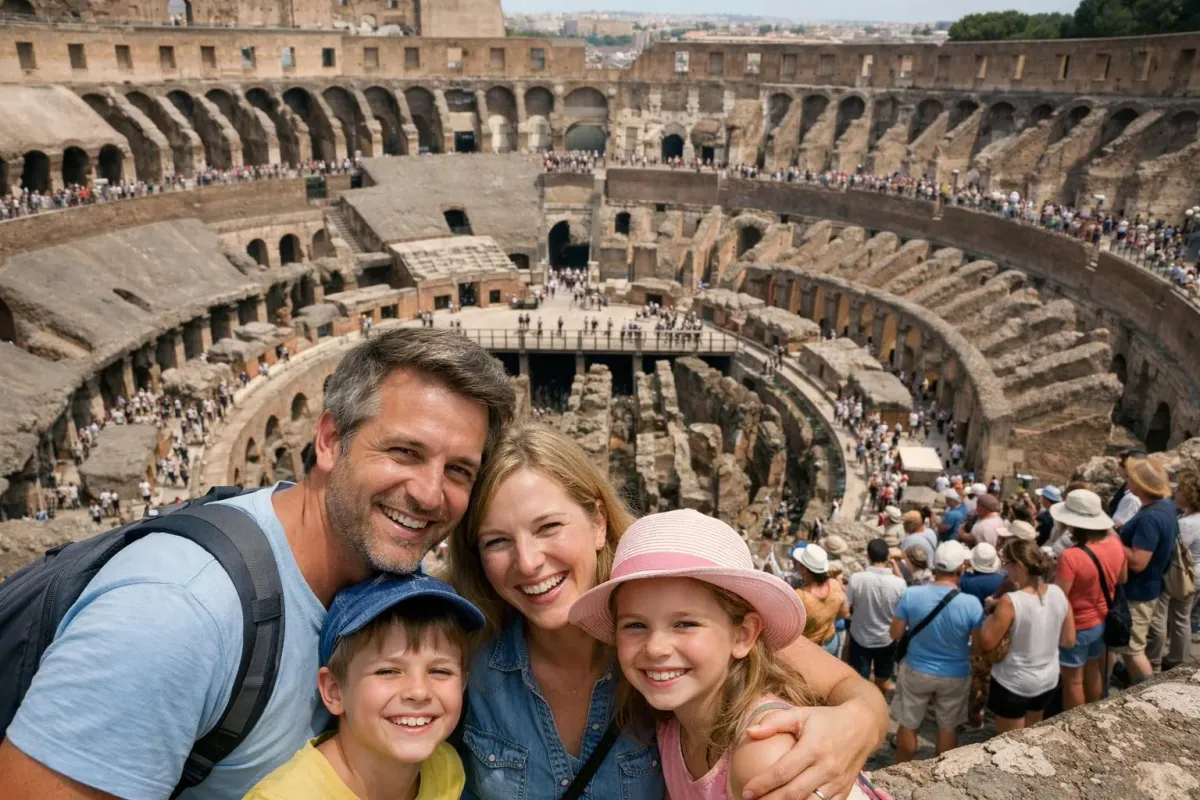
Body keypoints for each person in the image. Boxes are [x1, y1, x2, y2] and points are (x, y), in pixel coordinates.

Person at [1, 328, 517, 799]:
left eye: (458, 470)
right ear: (331, 440)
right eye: (404, 451)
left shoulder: (390, 583)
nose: (430, 494)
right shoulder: (177, 614)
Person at [449, 424, 890, 800]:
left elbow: (850, 689)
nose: (527, 562)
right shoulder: (462, 653)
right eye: (497, 541)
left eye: (549, 526)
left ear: (599, 522)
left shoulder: (672, 611)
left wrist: (858, 724)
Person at [568, 510, 886, 800]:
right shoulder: (674, 725)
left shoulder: (763, 753)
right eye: (635, 625)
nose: (655, 647)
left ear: (744, 634)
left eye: (685, 623)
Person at [244, 574, 485, 799]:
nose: (419, 691)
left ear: (463, 683)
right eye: (388, 671)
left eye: (440, 671)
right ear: (335, 691)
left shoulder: (447, 768)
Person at [889, 541, 984, 763]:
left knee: (908, 723)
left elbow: (895, 634)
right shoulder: (972, 604)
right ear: (962, 568)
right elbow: (978, 647)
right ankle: (941, 776)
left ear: (934, 566)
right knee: (947, 727)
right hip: (955, 672)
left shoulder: (912, 594)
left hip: (916, 668)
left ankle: (901, 770)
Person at [978, 539, 1074, 733]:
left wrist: (990, 614)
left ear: (1019, 566)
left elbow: (986, 642)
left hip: (1013, 682)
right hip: (1047, 678)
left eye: (1006, 564)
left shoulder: (1010, 602)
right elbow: (1068, 640)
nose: (1005, 570)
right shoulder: (1058, 593)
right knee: (1033, 731)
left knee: (1010, 740)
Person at [1051, 489, 1126, 710]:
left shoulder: (1071, 556)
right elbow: (1122, 577)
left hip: (1077, 625)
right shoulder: (1115, 544)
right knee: (1093, 670)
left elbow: (1059, 596)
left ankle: (1073, 723)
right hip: (1102, 620)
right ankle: (1093, 714)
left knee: (1073, 679)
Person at [1117, 457, 1178, 683]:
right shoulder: (1165, 507)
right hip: (1148, 587)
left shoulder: (1150, 518)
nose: (1127, 479)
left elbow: (1138, 561)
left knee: (1133, 650)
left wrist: (1114, 540)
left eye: (1131, 477)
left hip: (1138, 591)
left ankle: (1146, 693)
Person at [844, 539, 907, 691]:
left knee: (860, 680)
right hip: (886, 638)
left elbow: (846, 609)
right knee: (882, 680)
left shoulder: (856, 579)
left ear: (868, 556)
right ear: (887, 558)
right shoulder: (899, 584)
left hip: (860, 637)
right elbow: (905, 603)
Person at [795, 544, 849, 656]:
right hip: (831, 640)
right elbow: (844, 613)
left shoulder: (800, 596)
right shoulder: (835, 585)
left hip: (809, 648)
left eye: (799, 564)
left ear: (805, 569)